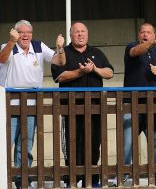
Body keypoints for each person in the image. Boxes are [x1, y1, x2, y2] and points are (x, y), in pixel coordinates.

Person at [0, 19, 65, 188]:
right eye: (22, 32)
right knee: (5, 144)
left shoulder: (38, 46)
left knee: (26, 143)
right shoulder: (8, 45)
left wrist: (60, 48)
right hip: (9, 103)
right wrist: (11, 41)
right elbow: (2, 59)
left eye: (28, 32)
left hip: (32, 103)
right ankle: (4, 178)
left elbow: (60, 62)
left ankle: (22, 178)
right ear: (15, 33)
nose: (26, 35)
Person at [51, 22, 114, 188]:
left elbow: (110, 72)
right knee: (72, 143)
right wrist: (80, 72)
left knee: (94, 143)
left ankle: (92, 180)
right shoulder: (63, 53)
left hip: (95, 107)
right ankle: (72, 180)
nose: (80, 34)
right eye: (76, 32)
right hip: (70, 108)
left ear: (87, 34)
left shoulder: (96, 52)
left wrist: (95, 70)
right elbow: (59, 77)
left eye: (83, 31)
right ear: (70, 35)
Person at [123, 22, 156, 186]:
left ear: (154, 34)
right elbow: (136, 51)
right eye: (143, 32)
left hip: (154, 104)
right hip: (132, 103)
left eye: (149, 32)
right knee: (128, 143)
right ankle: (125, 177)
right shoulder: (132, 46)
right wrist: (152, 43)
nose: (145, 34)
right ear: (139, 35)